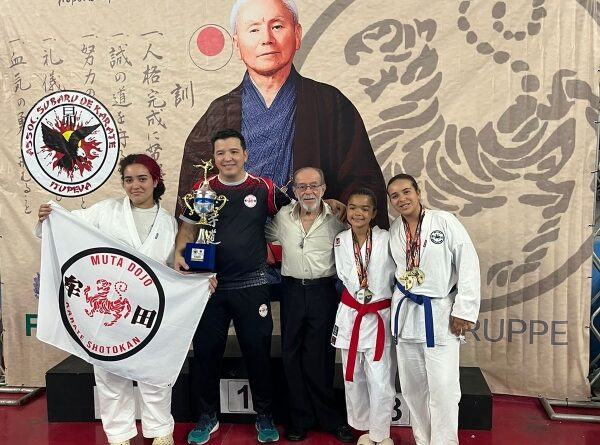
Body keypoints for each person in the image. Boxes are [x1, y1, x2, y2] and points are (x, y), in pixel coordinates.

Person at [177, 0, 388, 228]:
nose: (266, 38)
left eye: (277, 26)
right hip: (237, 238)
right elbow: (195, 188)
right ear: (237, 45)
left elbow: (362, 182)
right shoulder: (218, 113)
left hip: (311, 237)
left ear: (297, 34)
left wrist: (339, 207)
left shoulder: (331, 104)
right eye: (254, 30)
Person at [37, 154, 177, 445]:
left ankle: (161, 431)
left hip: (147, 311)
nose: (135, 185)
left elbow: (173, 268)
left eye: (142, 179)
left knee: (154, 372)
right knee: (111, 373)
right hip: (107, 311)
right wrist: (49, 216)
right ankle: (119, 435)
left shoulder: (169, 223)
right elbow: (69, 225)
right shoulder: (106, 211)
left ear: (155, 181)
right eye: (129, 180)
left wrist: (198, 280)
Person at [174, 129, 290, 445]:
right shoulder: (203, 189)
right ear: (214, 158)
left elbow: (297, 214)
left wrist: (329, 203)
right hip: (208, 286)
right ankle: (207, 416)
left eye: (233, 151)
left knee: (258, 353)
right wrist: (180, 253)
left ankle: (264, 415)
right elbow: (188, 228)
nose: (227, 158)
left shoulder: (264, 188)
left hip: (252, 284)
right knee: (206, 354)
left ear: (245, 154)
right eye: (221, 153)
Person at [387, 173, 481, 445]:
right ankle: (423, 440)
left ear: (418, 192)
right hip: (406, 316)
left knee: (443, 389)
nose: (402, 199)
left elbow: (468, 263)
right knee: (413, 389)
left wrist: (463, 310)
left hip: (439, 314)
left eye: (406, 192)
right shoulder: (395, 230)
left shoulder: (444, 221)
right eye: (395, 195)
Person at [265, 167, 354, 443]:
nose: (308, 192)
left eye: (314, 186)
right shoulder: (282, 217)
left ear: (324, 189)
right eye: (302, 187)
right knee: (290, 355)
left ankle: (330, 419)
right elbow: (262, 235)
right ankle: (299, 419)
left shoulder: (338, 218)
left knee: (321, 358)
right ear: (294, 191)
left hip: (323, 292)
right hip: (291, 290)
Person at [331, 188, 395, 445]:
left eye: (365, 209)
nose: (358, 213)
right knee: (353, 377)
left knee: (380, 379)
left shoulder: (387, 239)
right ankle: (364, 429)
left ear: (374, 213)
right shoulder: (340, 240)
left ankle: (381, 433)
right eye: (353, 207)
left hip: (378, 316)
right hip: (351, 315)